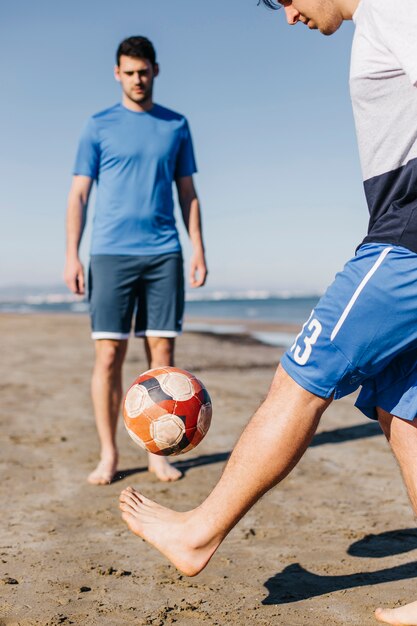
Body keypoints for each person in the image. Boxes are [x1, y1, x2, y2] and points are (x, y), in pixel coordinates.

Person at [119, 1, 417, 624]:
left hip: (405, 242)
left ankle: (199, 533)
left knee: (300, 378)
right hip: (398, 230)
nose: (289, 16)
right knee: (402, 408)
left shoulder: (395, 9)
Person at [64, 36, 207, 486]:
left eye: (143, 71)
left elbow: (188, 193)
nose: (137, 79)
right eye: (128, 72)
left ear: (155, 71)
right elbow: (79, 194)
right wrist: (72, 254)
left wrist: (198, 247)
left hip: (164, 253)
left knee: (161, 358)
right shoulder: (97, 126)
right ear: (117, 74)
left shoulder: (176, 125)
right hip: (109, 254)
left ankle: (157, 453)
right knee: (109, 355)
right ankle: (108, 453)